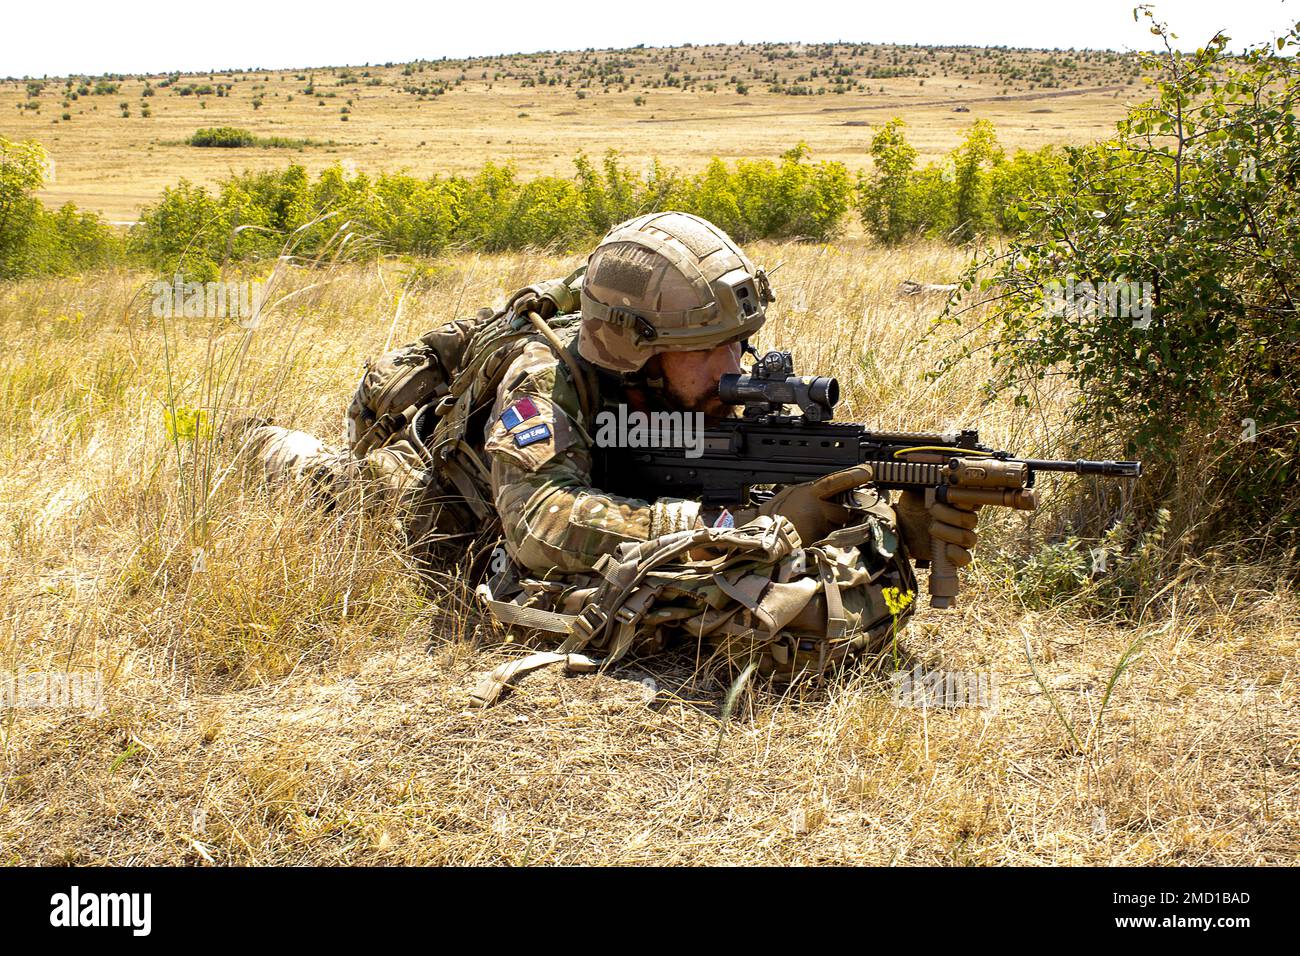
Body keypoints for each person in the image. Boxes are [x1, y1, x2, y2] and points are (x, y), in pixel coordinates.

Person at [243, 211, 980, 704]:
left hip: (583, 495)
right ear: (640, 349)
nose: (736, 363)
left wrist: (884, 515)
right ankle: (251, 435)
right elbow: (536, 521)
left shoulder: (697, 385)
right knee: (326, 483)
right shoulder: (544, 374)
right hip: (433, 507)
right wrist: (729, 521)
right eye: (711, 348)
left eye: (741, 339)